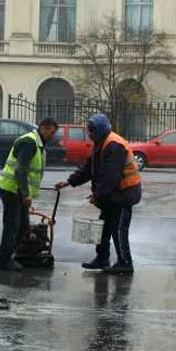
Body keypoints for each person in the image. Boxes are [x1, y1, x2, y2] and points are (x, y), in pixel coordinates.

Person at [55, 114, 141, 274]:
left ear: (100, 129)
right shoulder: (100, 143)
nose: (90, 134)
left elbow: (110, 177)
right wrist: (69, 181)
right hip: (113, 194)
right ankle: (102, 258)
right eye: (89, 131)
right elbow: (89, 168)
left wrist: (98, 195)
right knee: (104, 227)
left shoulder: (114, 145)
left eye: (92, 131)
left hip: (124, 194)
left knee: (118, 229)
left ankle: (125, 263)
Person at [0, 117, 59, 271]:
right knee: (13, 226)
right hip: (12, 190)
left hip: (16, 190)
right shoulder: (30, 142)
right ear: (43, 128)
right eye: (51, 132)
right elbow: (20, 169)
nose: (53, 136)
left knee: (23, 226)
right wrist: (25, 194)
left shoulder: (37, 143)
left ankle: (3, 255)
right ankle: (4, 260)